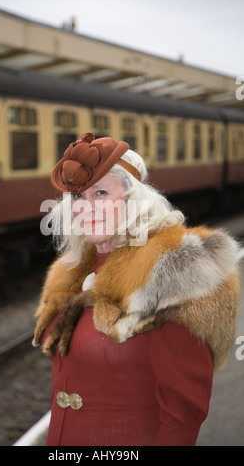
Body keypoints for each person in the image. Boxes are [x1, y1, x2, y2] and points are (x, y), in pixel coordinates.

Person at [33, 133, 240, 446]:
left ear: (135, 199)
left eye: (101, 193)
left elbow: (183, 412)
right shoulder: (73, 270)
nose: (86, 208)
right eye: (78, 197)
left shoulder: (171, 269)